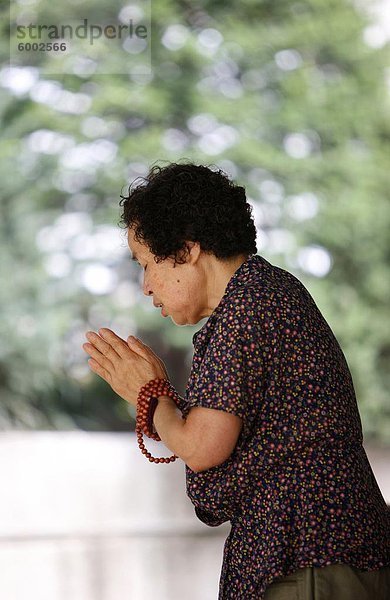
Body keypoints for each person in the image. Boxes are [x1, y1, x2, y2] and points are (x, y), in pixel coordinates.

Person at [82, 162, 390, 599]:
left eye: (146, 263)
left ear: (186, 250)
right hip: (331, 554)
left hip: (307, 558)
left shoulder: (246, 309)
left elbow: (203, 447)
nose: (146, 286)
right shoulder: (268, 293)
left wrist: (148, 394)